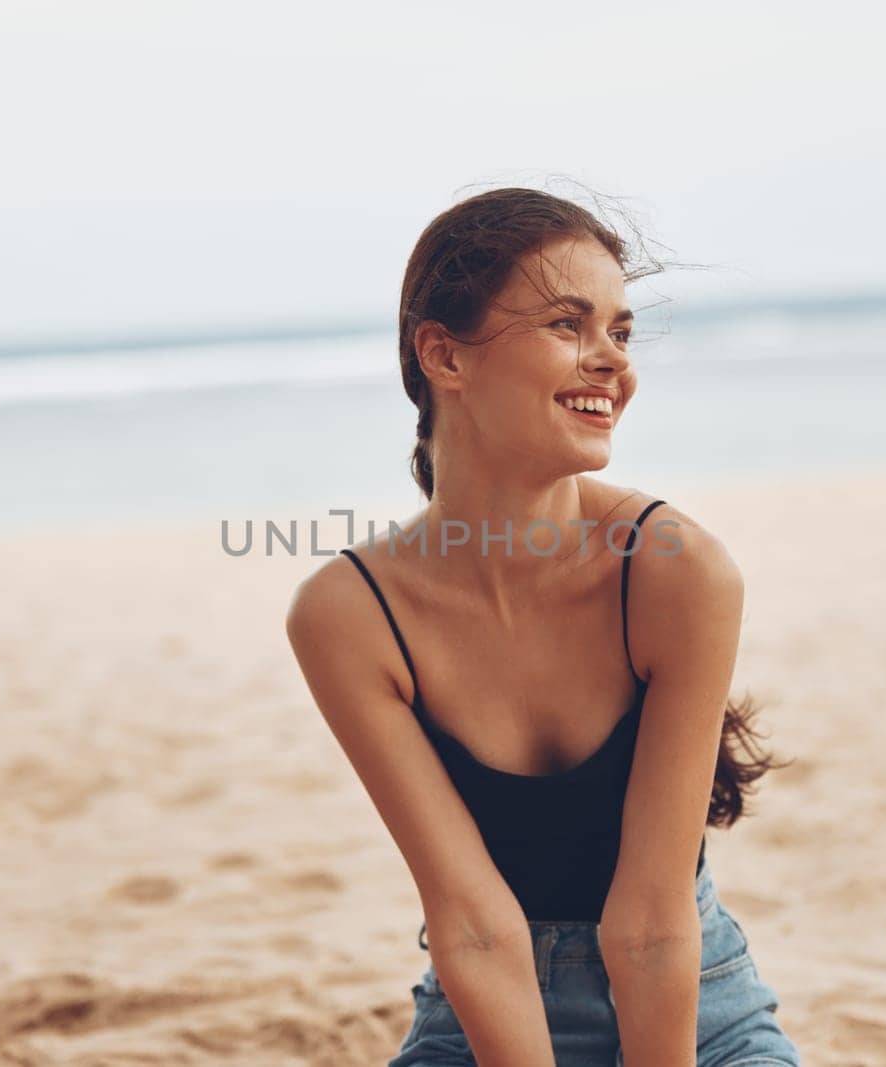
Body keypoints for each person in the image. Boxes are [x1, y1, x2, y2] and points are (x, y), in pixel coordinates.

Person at [285, 185, 800, 1066]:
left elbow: (650, 927)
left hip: (699, 1012)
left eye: (621, 333)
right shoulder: (350, 615)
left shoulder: (677, 570)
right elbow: (474, 928)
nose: (612, 363)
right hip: (477, 1025)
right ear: (444, 356)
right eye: (569, 325)